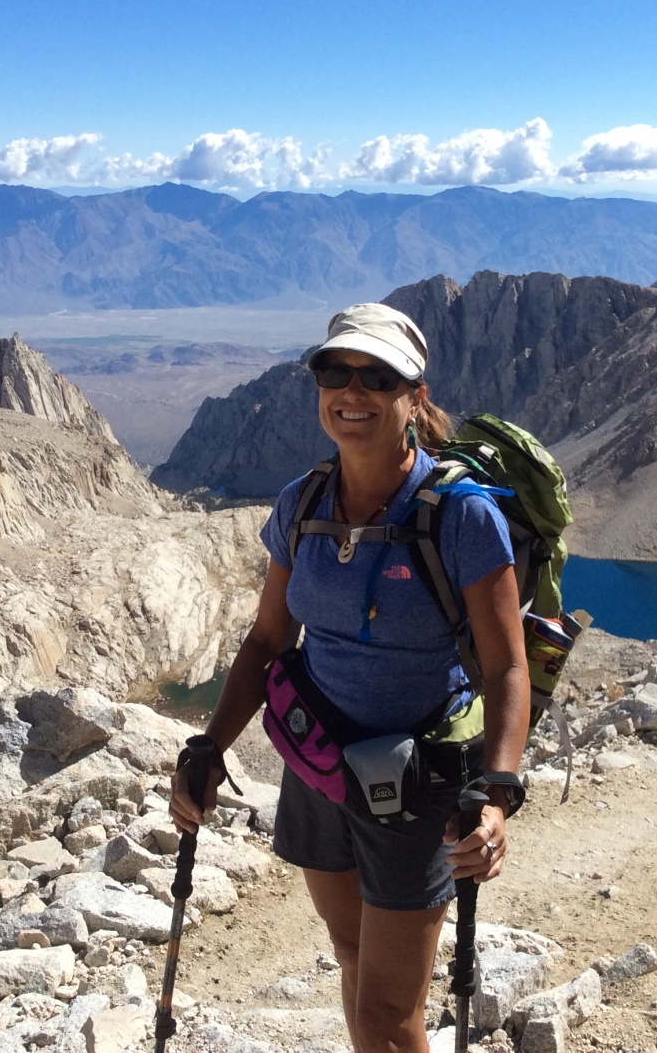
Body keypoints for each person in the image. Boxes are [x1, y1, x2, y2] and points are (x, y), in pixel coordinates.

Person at [170, 303, 530, 1053]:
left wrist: (496, 796)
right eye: (336, 371)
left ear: (414, 396)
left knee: (385, 1019)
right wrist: (210, 748)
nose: (353, 390)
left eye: (378, 376)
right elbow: (269, 638)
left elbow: (504, 667)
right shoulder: (301, 503)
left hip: (418, 783)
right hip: (318, 765)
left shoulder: (461, 516)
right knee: (352, 953)